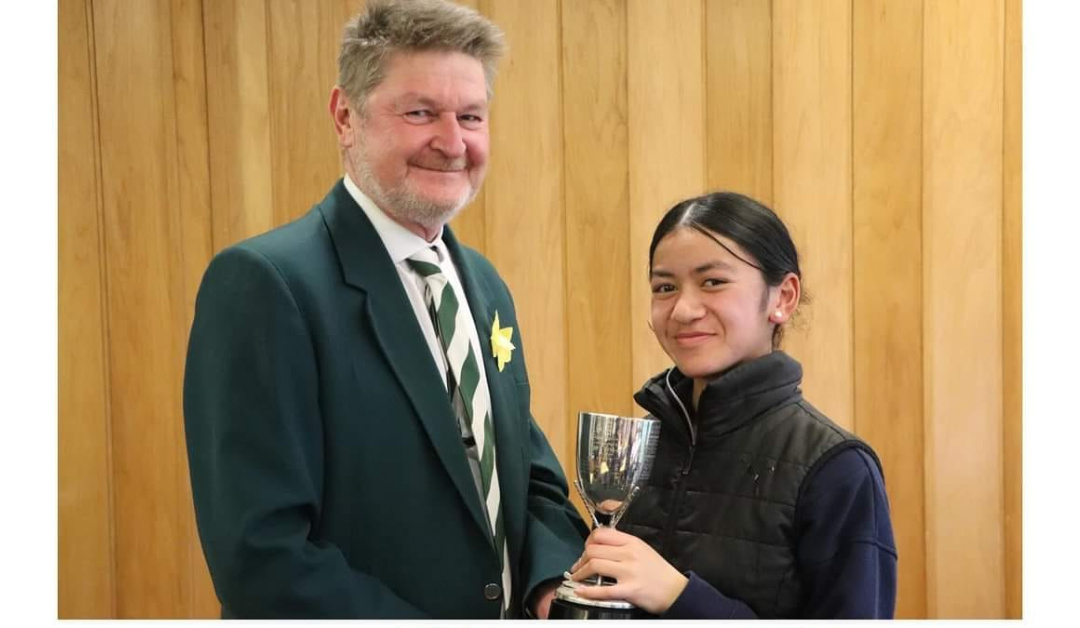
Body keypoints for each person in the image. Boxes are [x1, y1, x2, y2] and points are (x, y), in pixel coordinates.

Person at [182, 0, 587, 618]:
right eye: (420, 112)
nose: (453, 143)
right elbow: (262, 556)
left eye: (471, 116)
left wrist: (549, 583)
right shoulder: (268, 285)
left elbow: (528, 478)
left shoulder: (483, 284)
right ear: (346, 116)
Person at [567, 192, 898, 619]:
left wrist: (680, 596)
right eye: (664, 287)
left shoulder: (837, 469)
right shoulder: (643, 446)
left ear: (783, 297)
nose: (683, 309)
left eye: (713, 282)